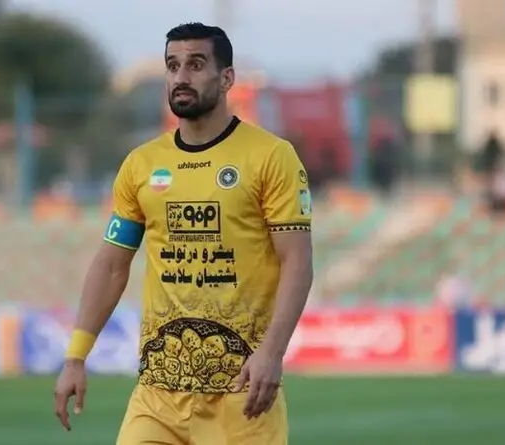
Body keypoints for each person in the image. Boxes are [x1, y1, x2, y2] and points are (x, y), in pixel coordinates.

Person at [53, 22, 313, 445]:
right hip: (157, 396)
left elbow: (297, 260)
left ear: (226, 78)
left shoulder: (271, 156)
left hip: (241, 395)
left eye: (195, 64)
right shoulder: (141, 164)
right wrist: (75, 357)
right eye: (173, 66)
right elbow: (112, 265)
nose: (181, 77)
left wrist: (272, 352)